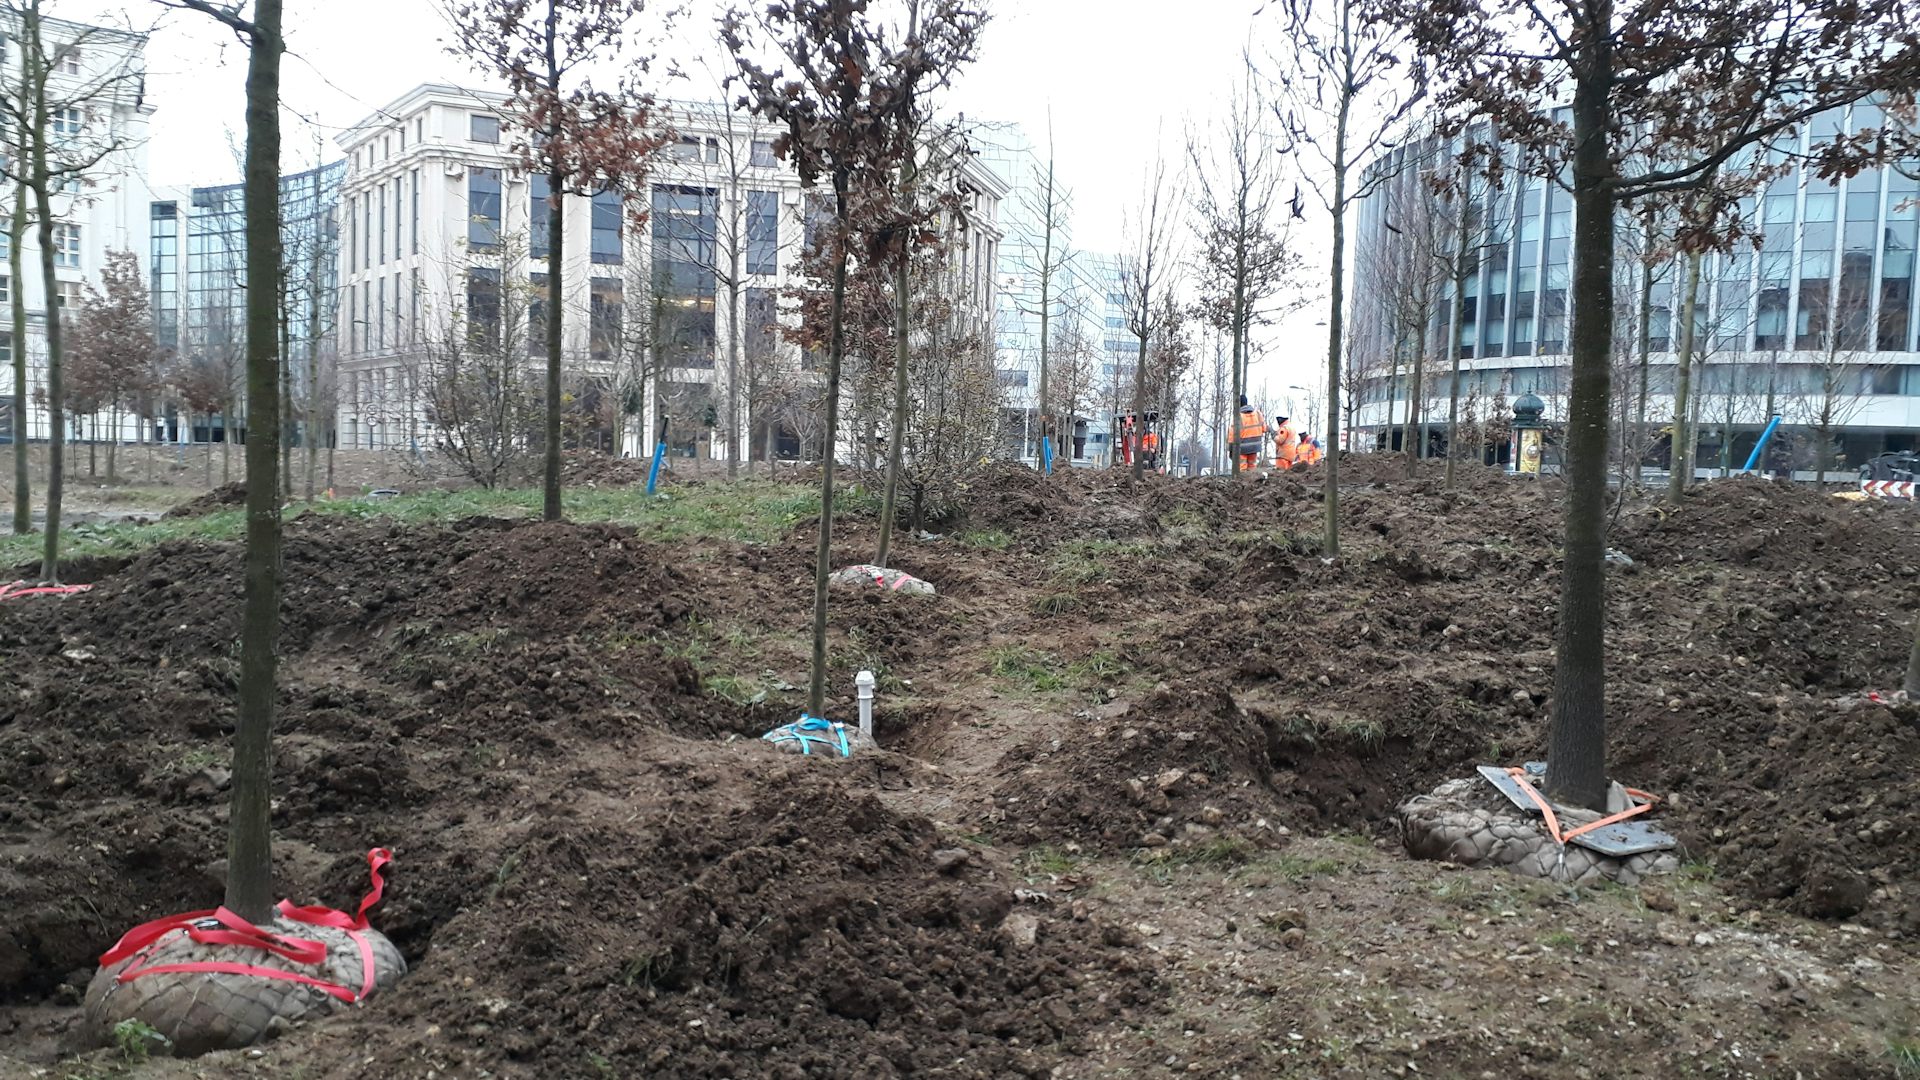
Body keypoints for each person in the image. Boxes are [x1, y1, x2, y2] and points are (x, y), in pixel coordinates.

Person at [1233, 396, 1267, 473]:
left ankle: (1243, 482)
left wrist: (1231, 447)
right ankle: (1252, 482)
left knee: (1242, 467)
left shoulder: (1238, 416)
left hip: (1242, 447)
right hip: (1255, 446)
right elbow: (1264, 429)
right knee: (1252, 467)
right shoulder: (1258, 414)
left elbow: (1233, 434)